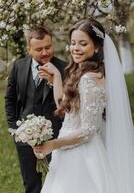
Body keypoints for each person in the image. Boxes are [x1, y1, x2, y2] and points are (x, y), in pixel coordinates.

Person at [33, 19, 134, 193]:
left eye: (83, 43)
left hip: (81, 157)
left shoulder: (88, 80)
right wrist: (57, 78)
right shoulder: (86, 73)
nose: (75, 48)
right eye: (73, 43)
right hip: (68, 149)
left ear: (96, 47)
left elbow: (88, 131)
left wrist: (54, 144)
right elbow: (67, 109)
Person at [5, 25, 67, 193]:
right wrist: (15, 129)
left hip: (55, 136)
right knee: (31, 184)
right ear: (29, 49)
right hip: (25, 136)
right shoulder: (19, 66)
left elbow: (67, 105)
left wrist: (55, 82)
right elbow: (9, 99)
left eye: (48, 47)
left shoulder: (64, 69)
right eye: (39, 49)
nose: (45, 52)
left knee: (59, 182)